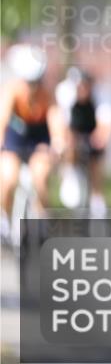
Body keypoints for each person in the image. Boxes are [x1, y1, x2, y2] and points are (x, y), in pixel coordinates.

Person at [0, 44, 63, 242]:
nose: (33, 87)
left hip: (39, 139)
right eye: (29, 82)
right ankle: (4, 221)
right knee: (8, 179)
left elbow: (56, 121)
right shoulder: (12, 91)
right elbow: (2, 118)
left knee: (40, 177)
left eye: (36, 82)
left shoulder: (48, 95)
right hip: (15, 138)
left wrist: (58, 142)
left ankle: (42, 220)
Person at [55, 68, 111, 218]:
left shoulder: (103, 93)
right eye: (78, 86)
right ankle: (70, 174)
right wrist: (68, 140)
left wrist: (99, 139)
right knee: (68, 148)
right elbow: (62, 124)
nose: (82, 90)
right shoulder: (64, 93)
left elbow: (106, 124)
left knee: (96, 161)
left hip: (92, 128)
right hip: (73, 129)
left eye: (84, 86)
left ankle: (97, 202)